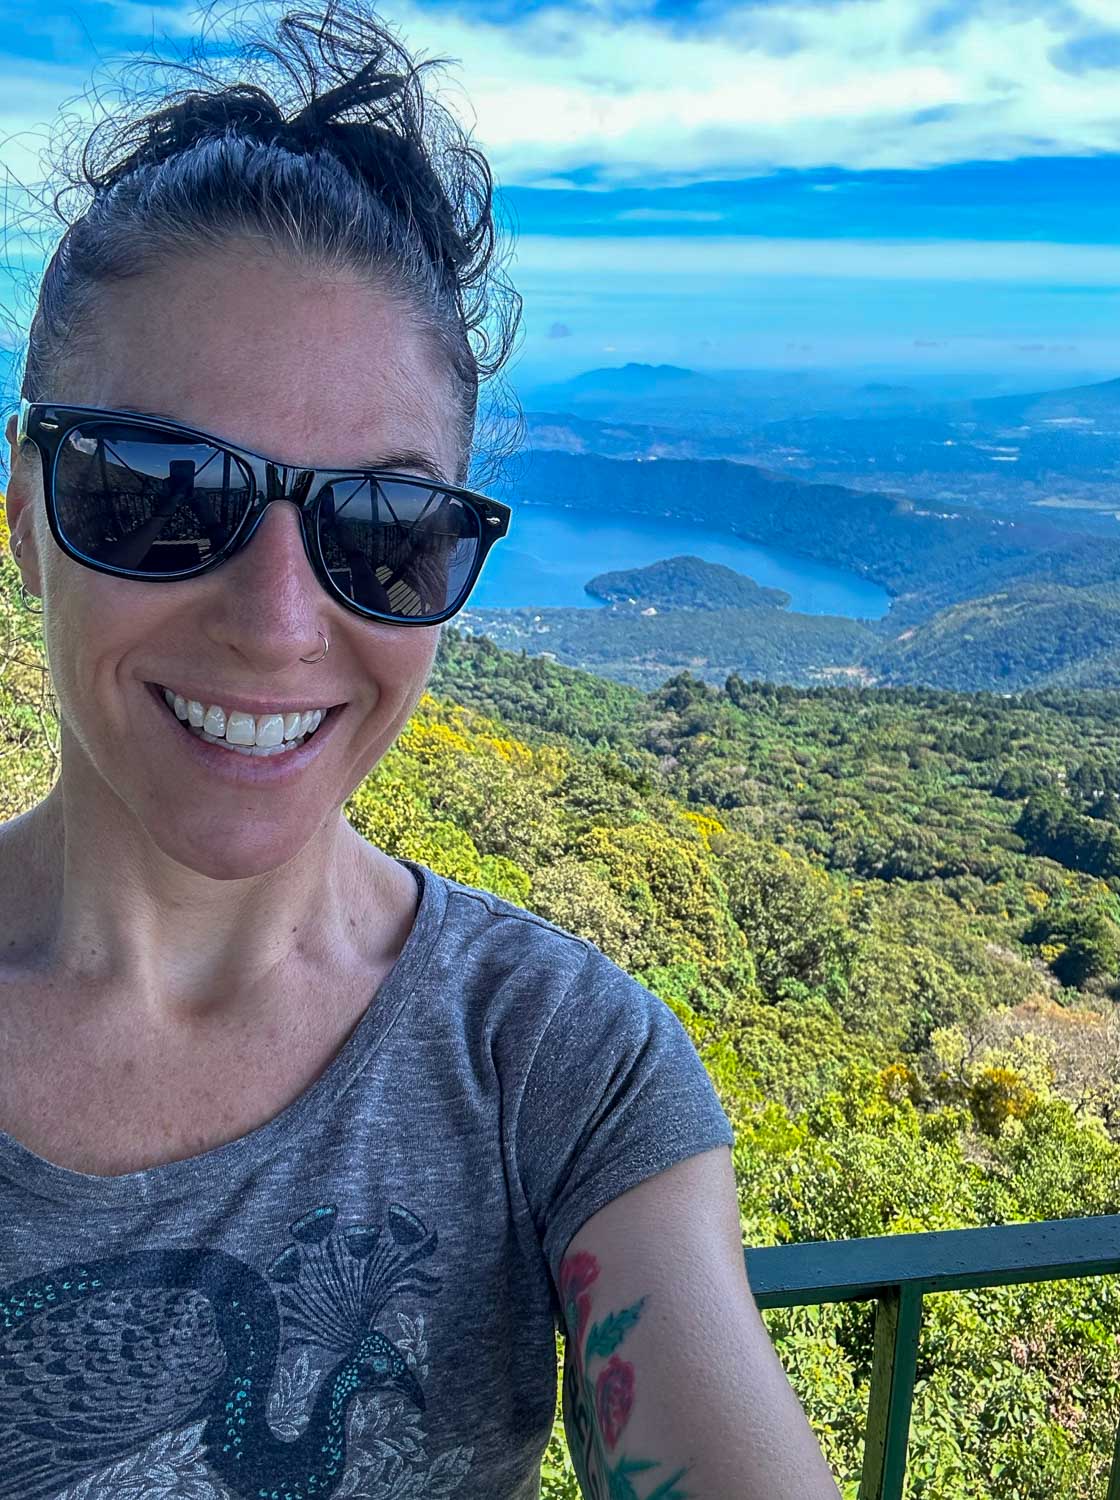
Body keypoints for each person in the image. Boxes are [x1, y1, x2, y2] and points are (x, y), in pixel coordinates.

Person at [0, 5, 843, 1497]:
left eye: (382, 532)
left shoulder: (554, 1070)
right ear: (25, 519)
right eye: (156, 489)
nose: (276, 621)